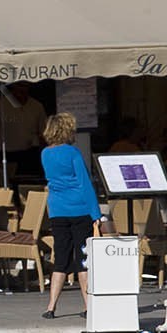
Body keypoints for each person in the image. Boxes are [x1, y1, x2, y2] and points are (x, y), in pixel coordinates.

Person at [40, 113, 102, 319]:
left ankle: (51, 307)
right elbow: (85, 183)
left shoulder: (45, 154)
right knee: (82, 259)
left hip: (57, 210)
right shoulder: (73, 153)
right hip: (79, 209)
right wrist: (96, 214)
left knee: (61, 258)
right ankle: (88, 305)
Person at [0, 83, 48, 176]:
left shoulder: (37, 106)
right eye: (19, 87)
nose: (21, 91)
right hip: (7, 153)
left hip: (30, 153)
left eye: (24, 86)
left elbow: (44, 131)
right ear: (13, 87)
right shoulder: (0, 104)